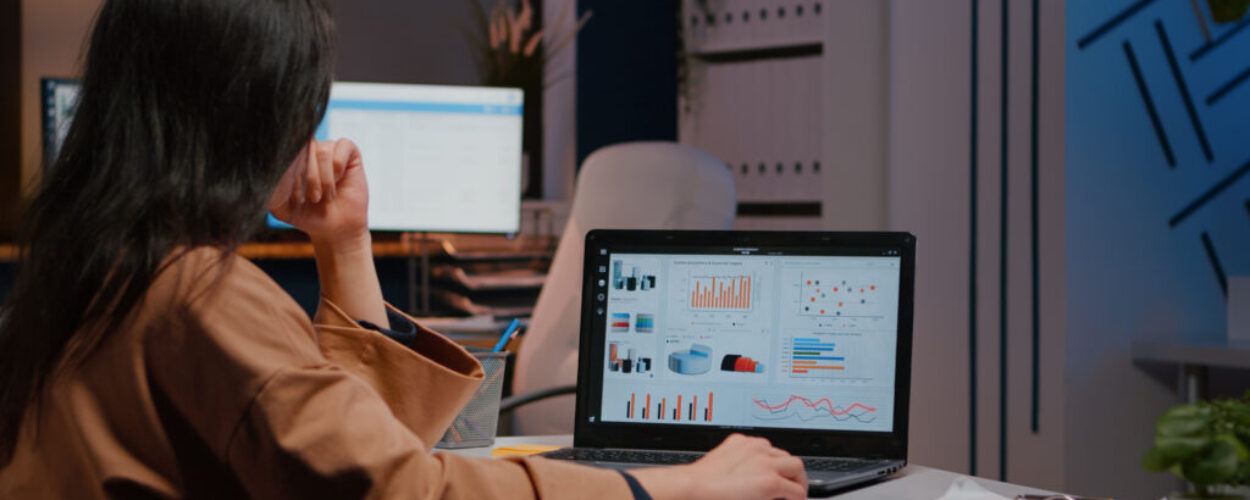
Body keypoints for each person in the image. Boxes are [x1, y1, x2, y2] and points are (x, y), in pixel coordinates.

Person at [0, 0, 808, 498]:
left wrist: (343, 242)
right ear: (255, 118)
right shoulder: (196, 293)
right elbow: (405, 490)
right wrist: (679, 487)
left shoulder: (98, 267)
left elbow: (338, 450)